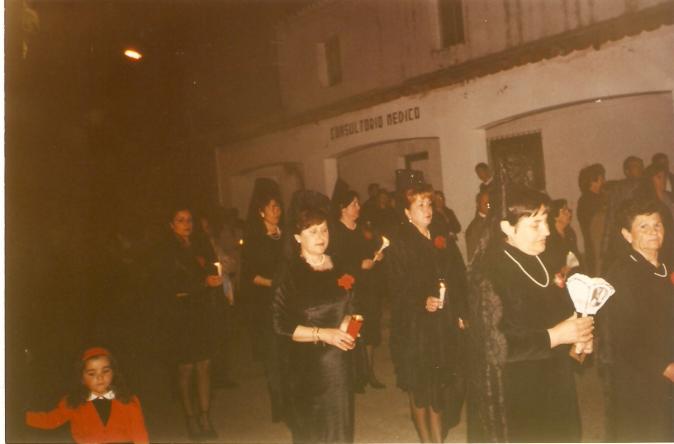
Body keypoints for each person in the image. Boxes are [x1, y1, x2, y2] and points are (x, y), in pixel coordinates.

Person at [471, 186, 593, 442]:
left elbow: (560, 315)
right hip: (517, 391)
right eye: (535, 224)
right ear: (507, 227)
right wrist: (554, 336)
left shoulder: (545, 257)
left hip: (556, 380)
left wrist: (578, 340)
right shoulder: (490, 274)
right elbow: (494, 346)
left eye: (546, 221)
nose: (546, 231)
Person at [386, 183, 467, 443]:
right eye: (420, 205)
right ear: (407, 212)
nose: (427, 209)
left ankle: (438, 438)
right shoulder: (400, 241)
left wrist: (461, 311)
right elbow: (395, 286)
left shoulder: (439, 235)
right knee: (420, 387)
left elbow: (457, 273)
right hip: (415, 326)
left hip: (442, 322)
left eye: (429, 203)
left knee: (440, 385)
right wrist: (422, 300)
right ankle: (427, 440)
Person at [272, 207, 357, 443]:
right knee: (312, 430)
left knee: (340, 427)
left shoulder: (339, 265)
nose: (321, 236)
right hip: (306, 366)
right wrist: (325, 334)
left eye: (324, 230)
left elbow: (352, 305)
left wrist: (349, 324)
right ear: (297, 237)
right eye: (312, 231)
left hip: (339, 364)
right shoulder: (288, 273)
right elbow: (281, 325)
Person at [598, 198, 674, 441]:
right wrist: (665, 367)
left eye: (657, 225)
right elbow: (624, 337)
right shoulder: (622, 274)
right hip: (642, 375)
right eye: (644, 226)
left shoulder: (664, 265)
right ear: (627, 234)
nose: (653, 231)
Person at [152, 206, 222, 440]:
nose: (186, 224)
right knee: (186, 368)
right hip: (179, 314)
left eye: (189, 219)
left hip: (202, 311)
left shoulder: (201, 244)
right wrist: (203, 284)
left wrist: (214, 278)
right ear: (171, 224)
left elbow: (213, 267)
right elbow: (168, 285)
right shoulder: (165, 250)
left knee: (204, 365)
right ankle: (190, 418)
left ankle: (205, 416)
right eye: (180, 220)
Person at [26, 347, 149, 444]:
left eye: (105, 371)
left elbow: (141, 436)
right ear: (82, 378)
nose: (100, 377)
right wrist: (22, 417)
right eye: (92, 373)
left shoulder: (129, 401)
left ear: (114, 373)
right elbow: (50, 420)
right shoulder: (73, 402)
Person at [330, 190, 386, 390]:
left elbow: (368, 253)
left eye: (358, 203)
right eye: (353, 204)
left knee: (370, 330)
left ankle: (369, 372)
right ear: (342, 208)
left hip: (367, 288)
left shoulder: (361, 229)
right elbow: (335, 263)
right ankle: (354, 376)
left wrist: (376, 256)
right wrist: (358, 266)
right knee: (353, 330)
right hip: (349, 290)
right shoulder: (336, 232)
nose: (358, 207)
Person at [240, 191, 286, 422]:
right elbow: (251, 275)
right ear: (261, 212)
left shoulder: (286, 236)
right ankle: (278, 403)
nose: (276, 211)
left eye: (278, 206)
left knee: (289, 352)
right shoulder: (254, 240)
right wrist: (274, 284)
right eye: (271, 207)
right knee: (273, 355)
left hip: (288, 301)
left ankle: (291, 398)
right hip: (266, 303)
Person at [600, 155, 645, 273]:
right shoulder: (619, 189)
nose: (640, 169)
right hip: (624, 238)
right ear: (627, 171)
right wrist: (605, 246)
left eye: (641, 166)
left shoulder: (648, 186)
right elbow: (610, 217)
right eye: (636, 166)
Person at [542, 199, 583, 283]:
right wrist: (562, 270)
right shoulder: (549, 236)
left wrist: (570, 266)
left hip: (571, 272)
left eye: (568, 210)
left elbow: (576, 254)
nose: (569, 214)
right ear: (555, 216)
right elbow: (550, 260)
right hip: (555, 276)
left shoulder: (570, 232)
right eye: (564, 211)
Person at [577, 163, 606, 275]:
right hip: (596, 249)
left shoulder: (591, 198)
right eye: (601, 178)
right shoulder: (588, 200)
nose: (604, 181)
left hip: (595, 248)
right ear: (593, 181)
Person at [465, 191, 490, 261]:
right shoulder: (474, 227)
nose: (488, 206)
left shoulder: (492, 220)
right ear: (478, 205)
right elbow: (473, 256)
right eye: (485, 203)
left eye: (489, 203)